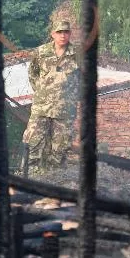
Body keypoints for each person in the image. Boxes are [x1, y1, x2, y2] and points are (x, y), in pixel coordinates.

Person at [22, 19, 81, 174]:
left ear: (70, 34)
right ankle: (28, 177)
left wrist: (72, 97)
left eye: (66, 32)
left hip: (65, 109)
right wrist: (42, 91)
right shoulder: (41, 52)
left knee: (60, 148)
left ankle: (54, 179)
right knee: (33, 141)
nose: (63, 35)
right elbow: (32, 74)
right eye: (59, 32)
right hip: (41, 107)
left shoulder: (77, 55)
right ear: (52, 34)